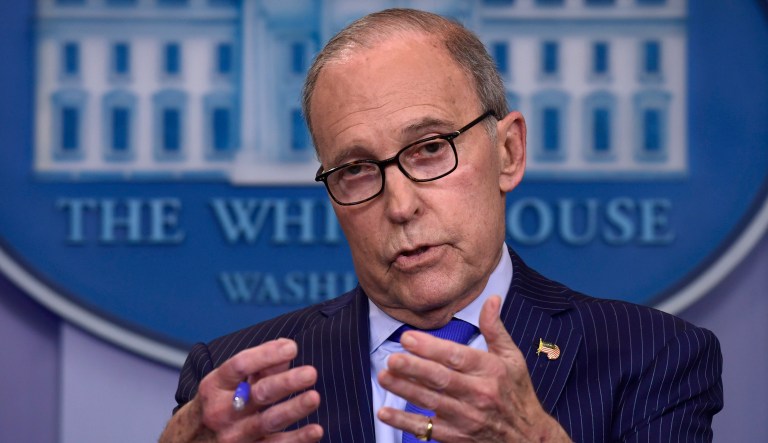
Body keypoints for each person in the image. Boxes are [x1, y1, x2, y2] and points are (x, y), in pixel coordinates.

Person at [160, 8, 723, 443]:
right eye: (356, 170)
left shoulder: (652, 357)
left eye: (429, 149)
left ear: (508, 152)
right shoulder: (241, 386)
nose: (400, 205)